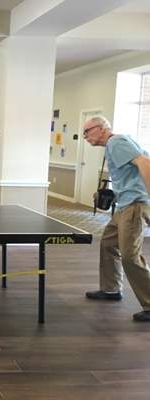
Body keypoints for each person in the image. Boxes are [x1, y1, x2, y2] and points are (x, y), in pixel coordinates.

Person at [83, 116, 150, 322]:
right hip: (124, 205)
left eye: (88, 131)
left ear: (102, 129)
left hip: (134, 205)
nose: (85, 136)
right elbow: (131, 172)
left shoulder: (116, 142)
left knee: (130, 255)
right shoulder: (115, 144)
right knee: (108, 243)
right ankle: (111, 289)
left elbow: (145, 163)